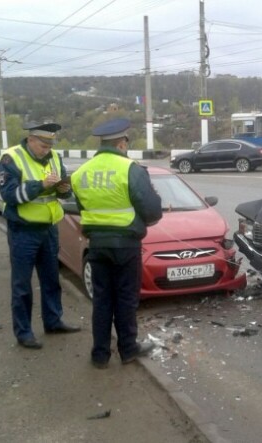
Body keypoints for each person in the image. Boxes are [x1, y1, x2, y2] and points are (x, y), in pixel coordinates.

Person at [71, 118, 162, 369]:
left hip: (96, 245)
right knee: (125, 299)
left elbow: (82, 208)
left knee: (101, 300)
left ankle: (100, 355)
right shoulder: (130, 169)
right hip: (126, 246)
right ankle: (128, 350)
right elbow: (153, 211)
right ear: (122, 143)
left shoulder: (81, 173)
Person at [0, 122, 80, 349]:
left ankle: (53, 321)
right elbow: (9, 194)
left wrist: (64, 189)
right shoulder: (11, 158)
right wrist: (40, 185)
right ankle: (24, 332)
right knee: (22, 284)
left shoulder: (54, 157)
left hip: (49, 228)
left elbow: (62, 189)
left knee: (52, 280)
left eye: (49, 145)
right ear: (31, 140)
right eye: (43, 145)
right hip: (24, 230)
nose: (47, 150)